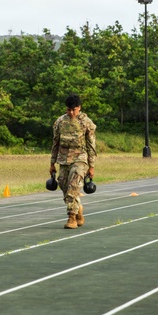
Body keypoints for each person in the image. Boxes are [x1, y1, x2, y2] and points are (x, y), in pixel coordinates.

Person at [49, 94, 96, 229]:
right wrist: (52, 163)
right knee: (64, 186)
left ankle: (71, 217)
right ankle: (78, 210)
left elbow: (91, 146)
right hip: (63, 159)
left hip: (80, 159)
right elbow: (55, 143)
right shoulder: (60, 122)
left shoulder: (86, 123)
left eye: (74, 110)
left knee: (73, 187)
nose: (71, 112)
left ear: (79, 108)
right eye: (68, 110)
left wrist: (91, 166)